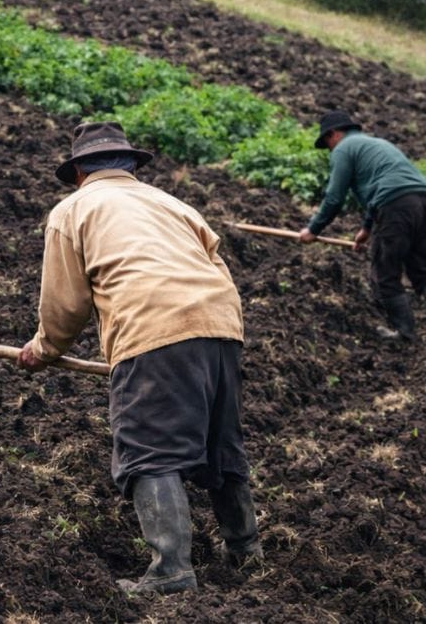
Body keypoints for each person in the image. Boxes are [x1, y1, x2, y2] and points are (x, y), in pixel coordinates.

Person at [17, 122, 261, 595]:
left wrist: (44, 348)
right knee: (221, 443)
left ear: (80, 172)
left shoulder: (73, 210)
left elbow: (66, 303)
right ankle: (246, 552)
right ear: (129, 166)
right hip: (221, 323)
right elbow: (217, 263)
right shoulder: (174, 204)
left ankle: (171, 570)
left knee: (149, 451)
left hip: (152, 326)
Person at [297, 110, 426, 341]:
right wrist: (367, 229)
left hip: (395, 204)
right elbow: (382, 185)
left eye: (327, 142)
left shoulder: (343, 149)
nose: (329, 148)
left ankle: (405, 332)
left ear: (334, 134)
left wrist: (313, 229)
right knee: (422, 269)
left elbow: (334, 197)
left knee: (385, 271)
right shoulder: (376, 143)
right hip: (424, 200)